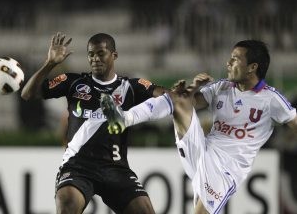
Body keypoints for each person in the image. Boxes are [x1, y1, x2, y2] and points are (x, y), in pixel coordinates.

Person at [100, 40, 297, 214]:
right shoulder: (223, 87)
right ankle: (123, 119)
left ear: (252, 67)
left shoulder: (271, 99)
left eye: (235, 59)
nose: (228, 63)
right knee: (177, 99)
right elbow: (193, 102)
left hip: (226, 168)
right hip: (202, 148)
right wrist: (192, 88)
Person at [21, 32, 166, 214]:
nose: (95, 59)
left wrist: (180, 93)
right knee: (67, 203)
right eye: (91, 54)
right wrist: (50, 63)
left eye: (100, 53)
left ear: (114, 55)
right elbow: (27, 94)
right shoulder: (73, 82)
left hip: (116, 168)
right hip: (77, 167)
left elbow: (165, 96)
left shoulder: (131, 86)